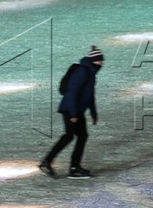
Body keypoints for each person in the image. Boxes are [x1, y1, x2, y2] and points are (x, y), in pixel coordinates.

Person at [39, 46, 104, 178]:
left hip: (77, 110)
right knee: (69, 135)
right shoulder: (82, 71)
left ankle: (74, 167)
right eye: (99, 60)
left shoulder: (91, 74)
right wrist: (73, 114)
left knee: (82, 136)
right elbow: (72, 92)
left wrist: (93, 113)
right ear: (93, 60)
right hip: (70, 108)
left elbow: (89, 96)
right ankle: (47, 162)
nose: (102, 63)